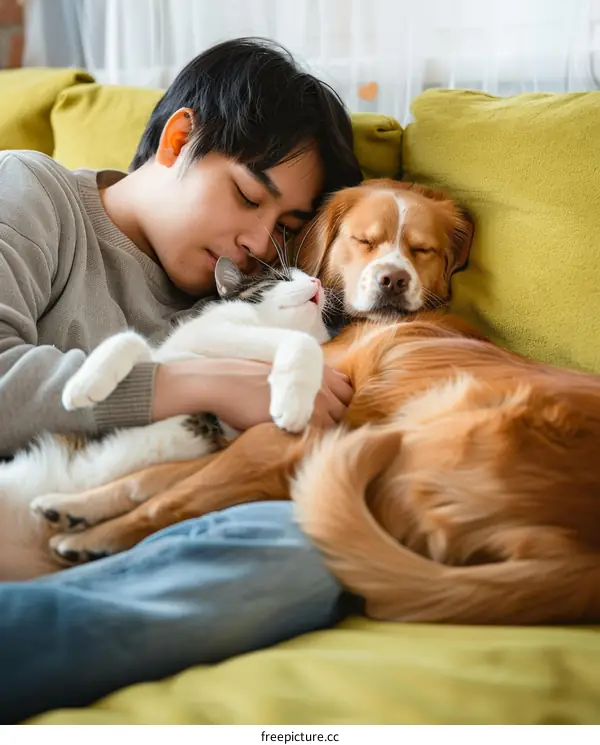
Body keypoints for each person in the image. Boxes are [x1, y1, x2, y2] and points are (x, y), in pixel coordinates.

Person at [0, 38, 364, 723]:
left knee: (306, 546)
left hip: (112, 549)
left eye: (283, 226)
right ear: (178, 138)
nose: (258, 243)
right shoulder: (32, 192)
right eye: (248, 195)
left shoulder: (241, 303)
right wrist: (197, 381)